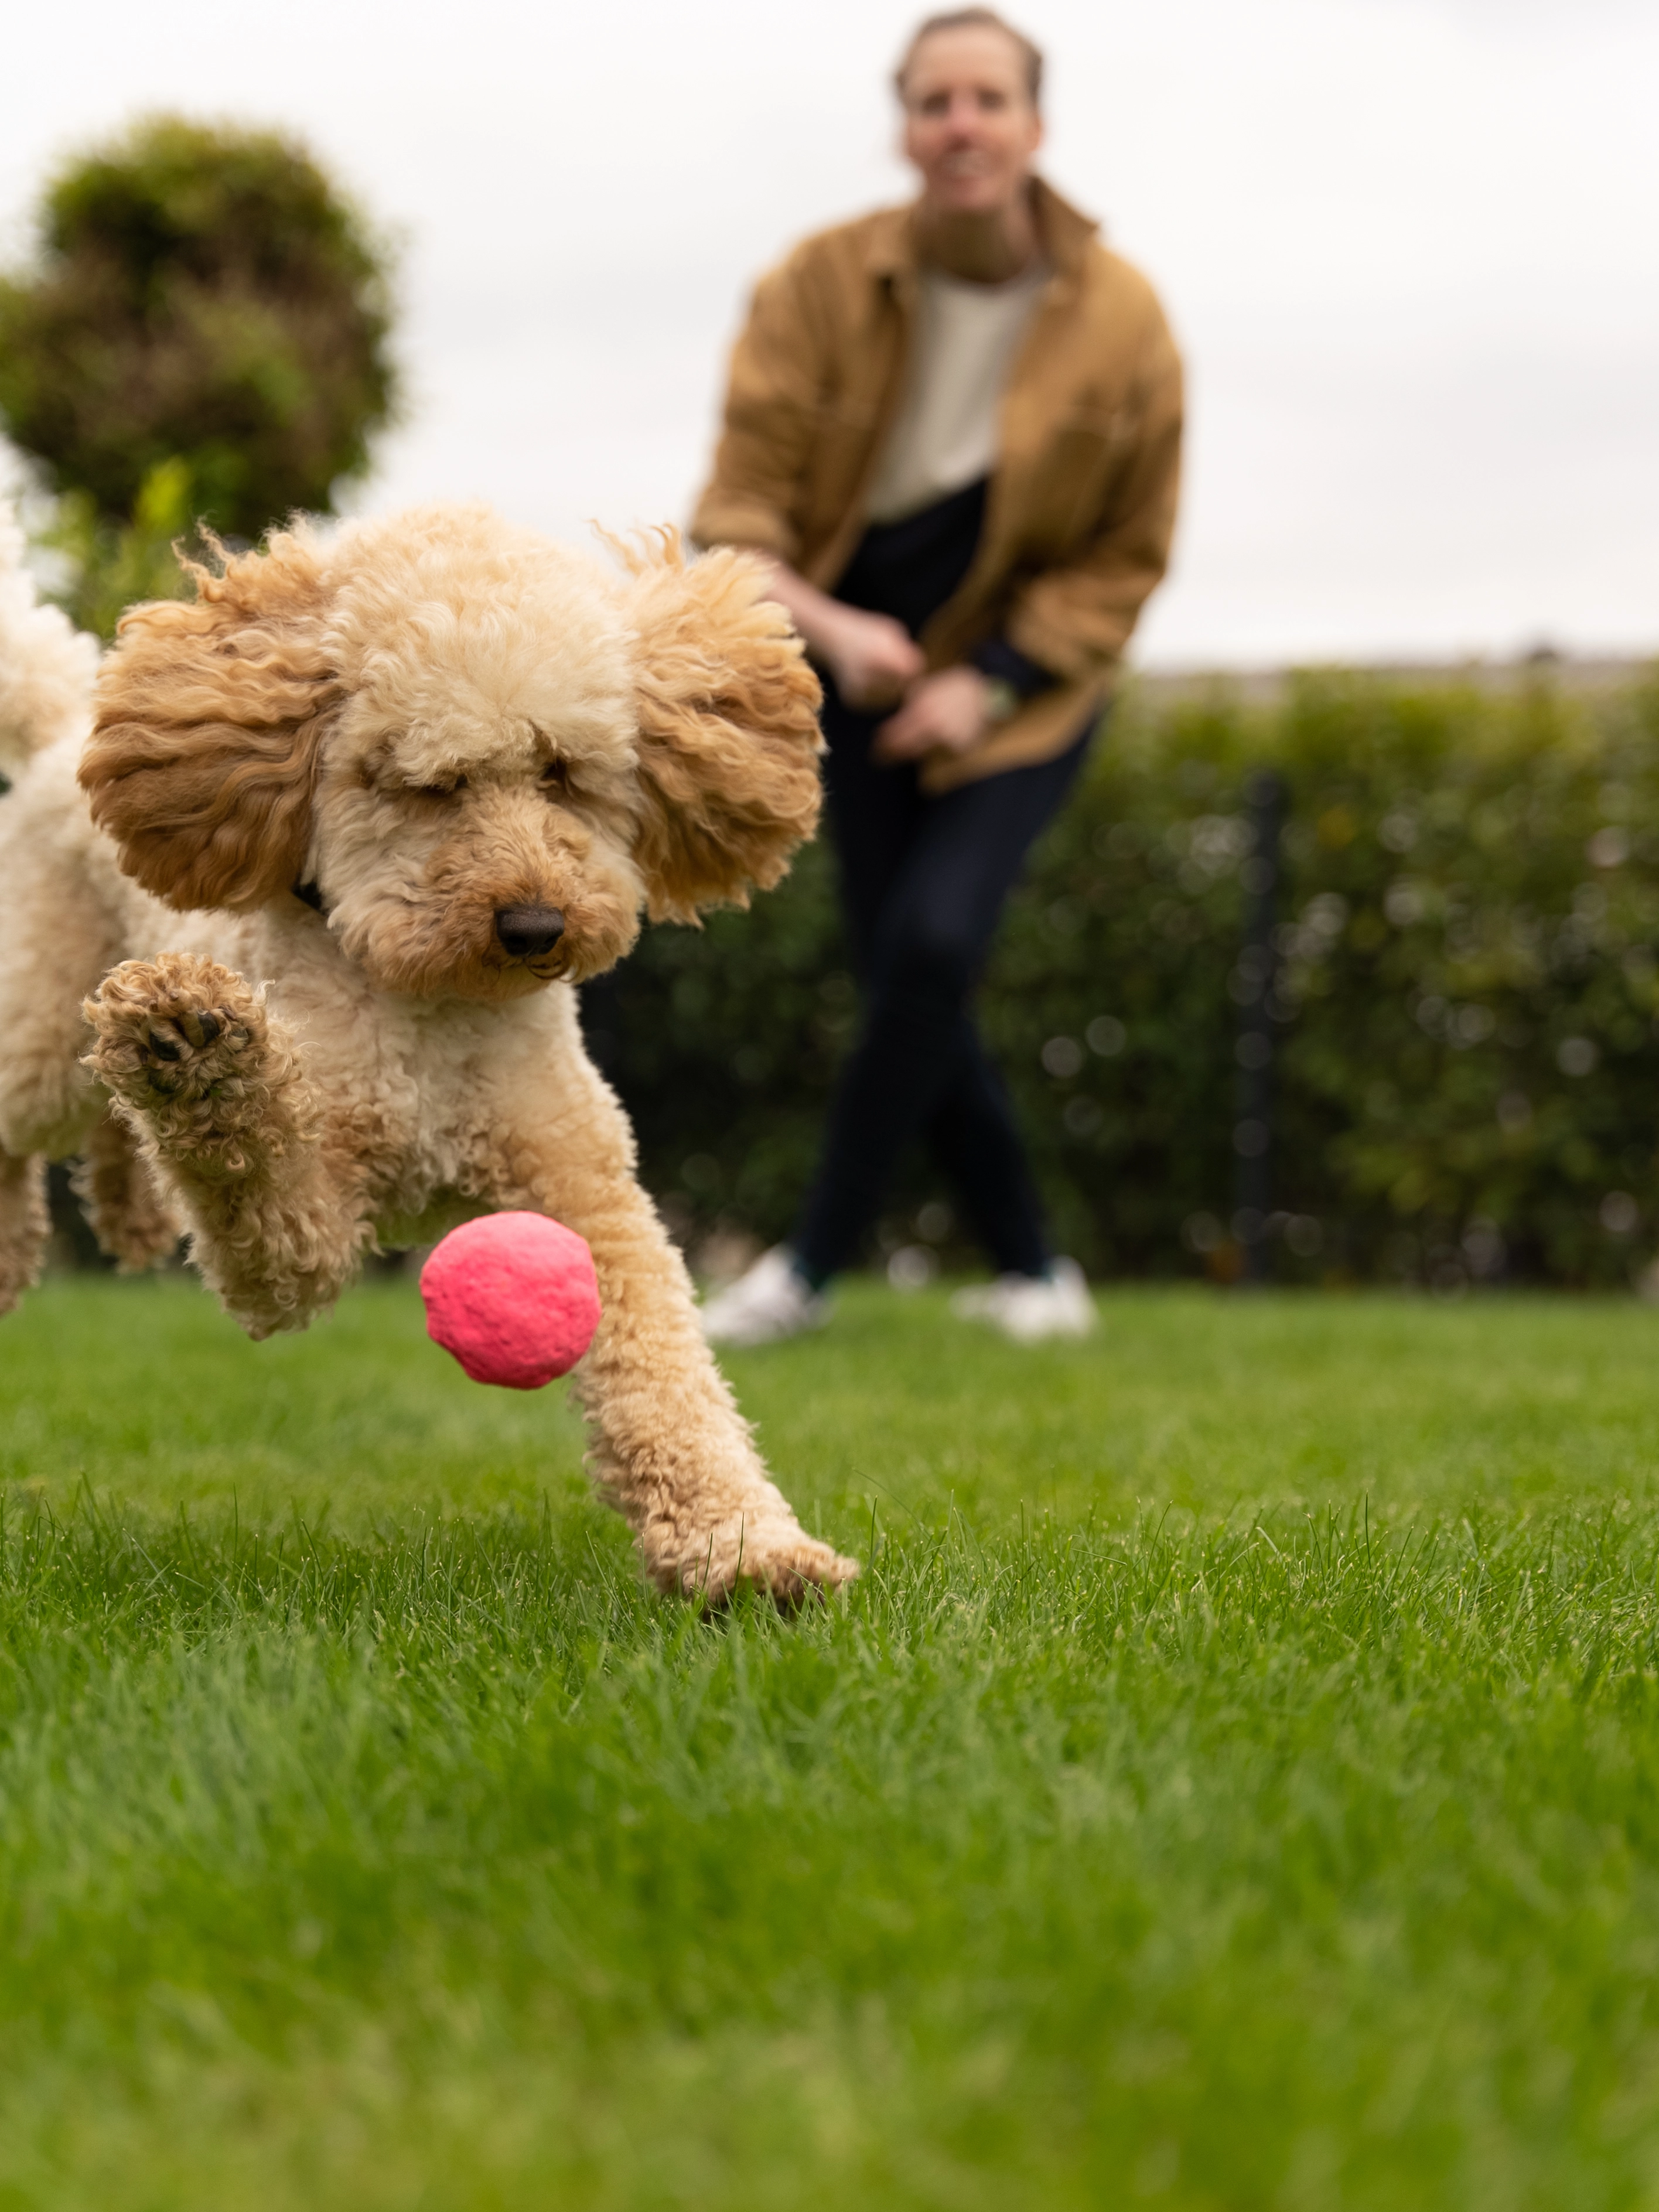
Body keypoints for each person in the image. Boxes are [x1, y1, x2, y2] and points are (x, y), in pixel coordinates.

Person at [694, 7, 1183, 1346]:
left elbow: (1128, 553)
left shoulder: (1127, 320)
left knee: (933, 943)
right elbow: (736, 517)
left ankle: (803, 1269)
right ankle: (1037, 1271)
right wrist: (834, 631)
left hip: (1021, 690)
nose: (959, 124)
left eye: (987, 99)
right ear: (904, 127)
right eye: (933, 102)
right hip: (849, 670)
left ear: (1035, 125)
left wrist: (997, 679)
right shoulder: (815, 282)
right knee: (907, 977)